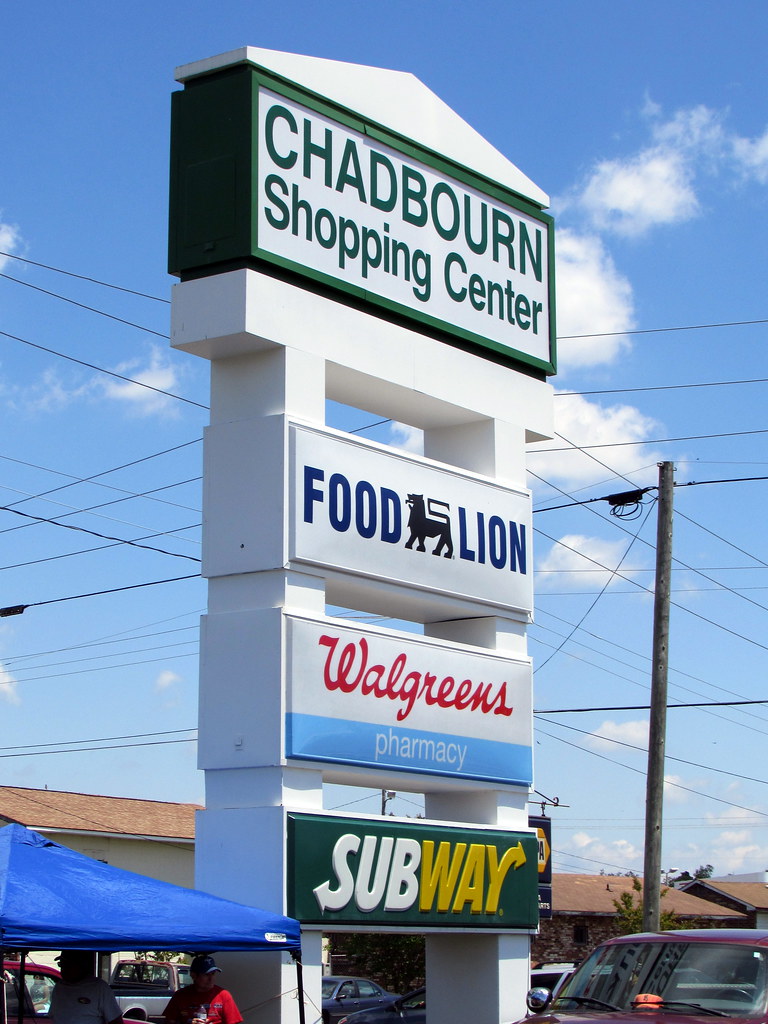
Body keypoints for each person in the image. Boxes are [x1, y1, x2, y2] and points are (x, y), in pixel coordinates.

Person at [163, 956, 242, 1024]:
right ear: (193, 975)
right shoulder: (180, 995)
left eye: (213, 974)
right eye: (206, 974)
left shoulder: (223, 995)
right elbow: (169, 1021)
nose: (211, 979)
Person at [50, 950, 123, 1024]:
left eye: (67, 965)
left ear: (81, 965)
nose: (62, 969)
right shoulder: (59, 987)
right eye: (61, 965)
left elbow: (116, 1020)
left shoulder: (99, 988)